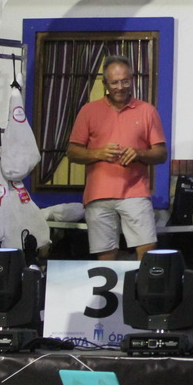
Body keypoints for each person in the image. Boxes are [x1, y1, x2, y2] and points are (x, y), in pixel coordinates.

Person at [68, 56, 168, 261]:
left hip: (135, 191)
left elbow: (161, 154)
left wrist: (139, 153)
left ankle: (142, 283)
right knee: (106, 253)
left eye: (125, 81)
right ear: (105, 83)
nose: (120, 87)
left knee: (147, 246)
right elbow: (72, 151)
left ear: (132, 80)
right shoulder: (88, 111)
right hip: (98, 193)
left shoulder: (147, 111)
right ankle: (112, 284)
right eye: (114, 82)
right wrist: (98, 153)